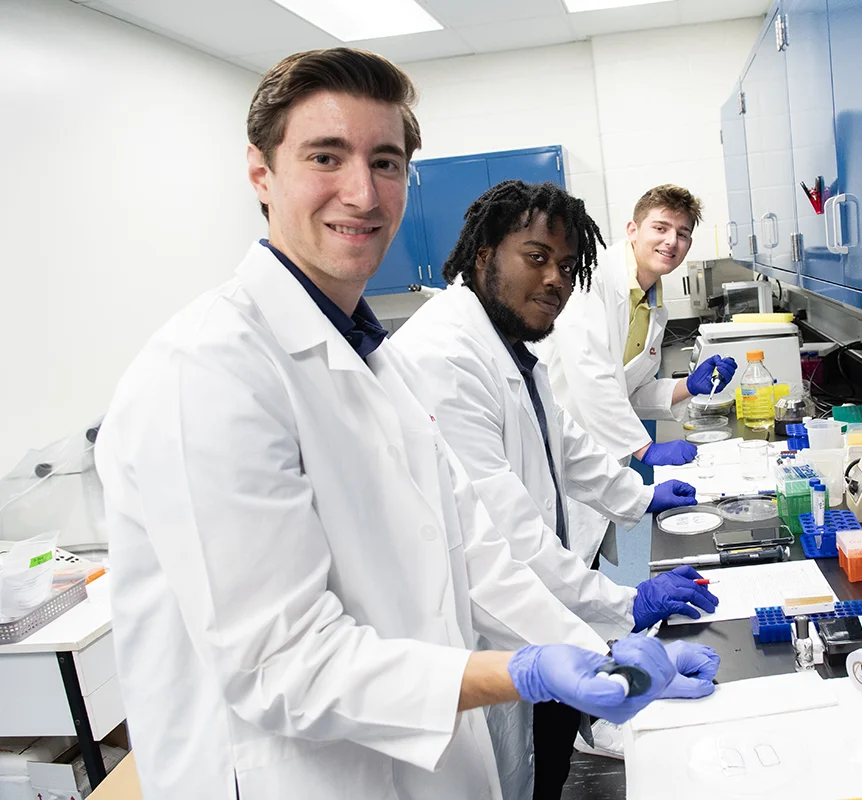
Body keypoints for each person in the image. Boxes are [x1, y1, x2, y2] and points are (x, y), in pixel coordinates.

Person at [93, 48, 712, 800]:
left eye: (385, 162)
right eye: (327, 156)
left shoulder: (372, 359)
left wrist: (609, 641)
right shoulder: (207, 371)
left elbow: (471, 547)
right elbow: (282, 665)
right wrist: (517, 668)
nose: (361, 191)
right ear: (261, 173)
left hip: (417, 760)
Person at [388, 180, 720, 800]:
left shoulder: (505, 344)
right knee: (515, 776)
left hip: (526, 614)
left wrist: (639, 496)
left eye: (567, 265)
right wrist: (624, 616)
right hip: (480, 635)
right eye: (535, 257)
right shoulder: (445, 357)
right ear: (484, 252)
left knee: (544, 763)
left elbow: (562, 442)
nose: (556, 280)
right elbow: (509, 539)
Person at [539, 185, 737, 570]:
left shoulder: (652, 300)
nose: (671, 241)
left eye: (682, 233)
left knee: (579, 565)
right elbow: (591, 378)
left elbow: (629, 388)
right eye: (660, 228)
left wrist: (688, 385)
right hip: (558, 444)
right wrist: (645, 449)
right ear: (633, 230)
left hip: (591, 455)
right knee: (559, 567)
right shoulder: (589, 278)